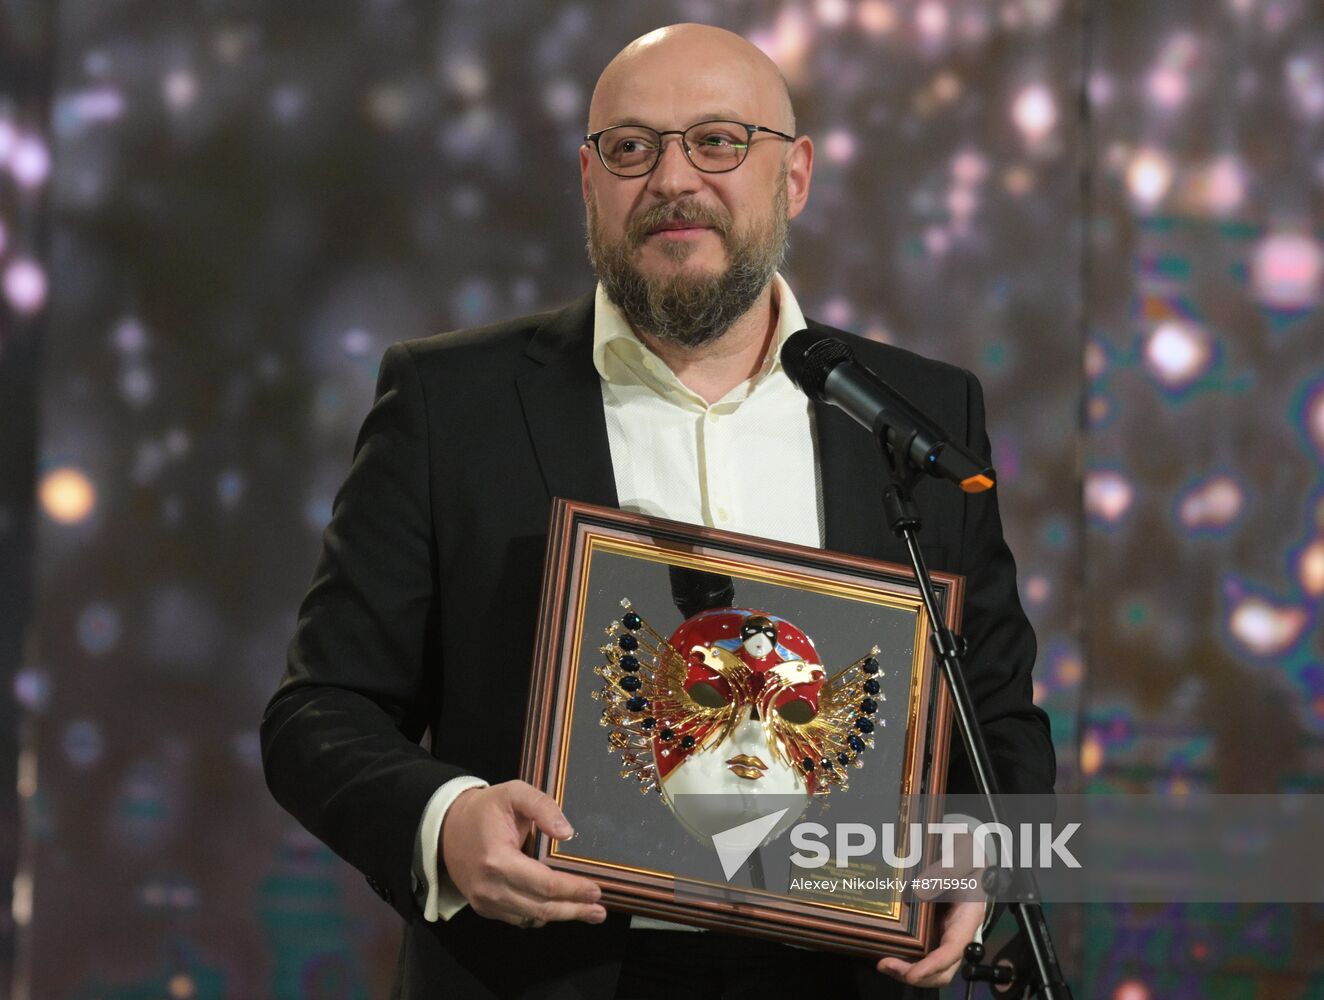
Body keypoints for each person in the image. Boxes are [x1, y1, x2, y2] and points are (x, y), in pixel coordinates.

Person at [261, 22, 1055, 1000]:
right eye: (632, 148)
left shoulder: (911, 415)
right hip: (546, 971)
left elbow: (998, 717)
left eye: (718, 141)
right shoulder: (447, 404)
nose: (674, 178)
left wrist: (977, 852)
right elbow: (319, 711)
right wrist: (446, 820)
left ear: (794, 175)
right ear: (589, 183)